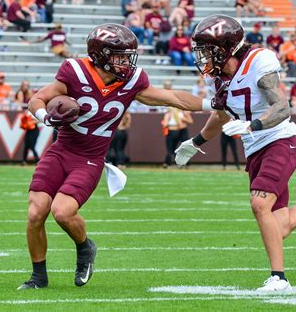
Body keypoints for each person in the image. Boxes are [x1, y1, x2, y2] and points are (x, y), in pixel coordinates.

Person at [20, 23, 219, 290]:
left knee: (63, 212)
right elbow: (37, 100)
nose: (126, 62)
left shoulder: (132, 81)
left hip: (90, 158)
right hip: (61, 151)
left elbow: (173, 97)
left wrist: (215, 103)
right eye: (120, 56)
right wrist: (46, 118)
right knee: (35, 213)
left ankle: (85, 247)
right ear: (101, 55)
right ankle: (38, 277)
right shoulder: (74, 71)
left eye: (127, 56)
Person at [174, 14, 296, 291]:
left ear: (225, 49)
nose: (203, 58)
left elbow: (282, 107)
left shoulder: (258, 62)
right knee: (278, 226)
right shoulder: (219, 79)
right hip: (255, 150)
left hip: (280, 141)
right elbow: (222, 116)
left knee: (259, 205)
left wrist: (253, 125)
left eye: (207, 51)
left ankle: (279, 278)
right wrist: (196, 141)